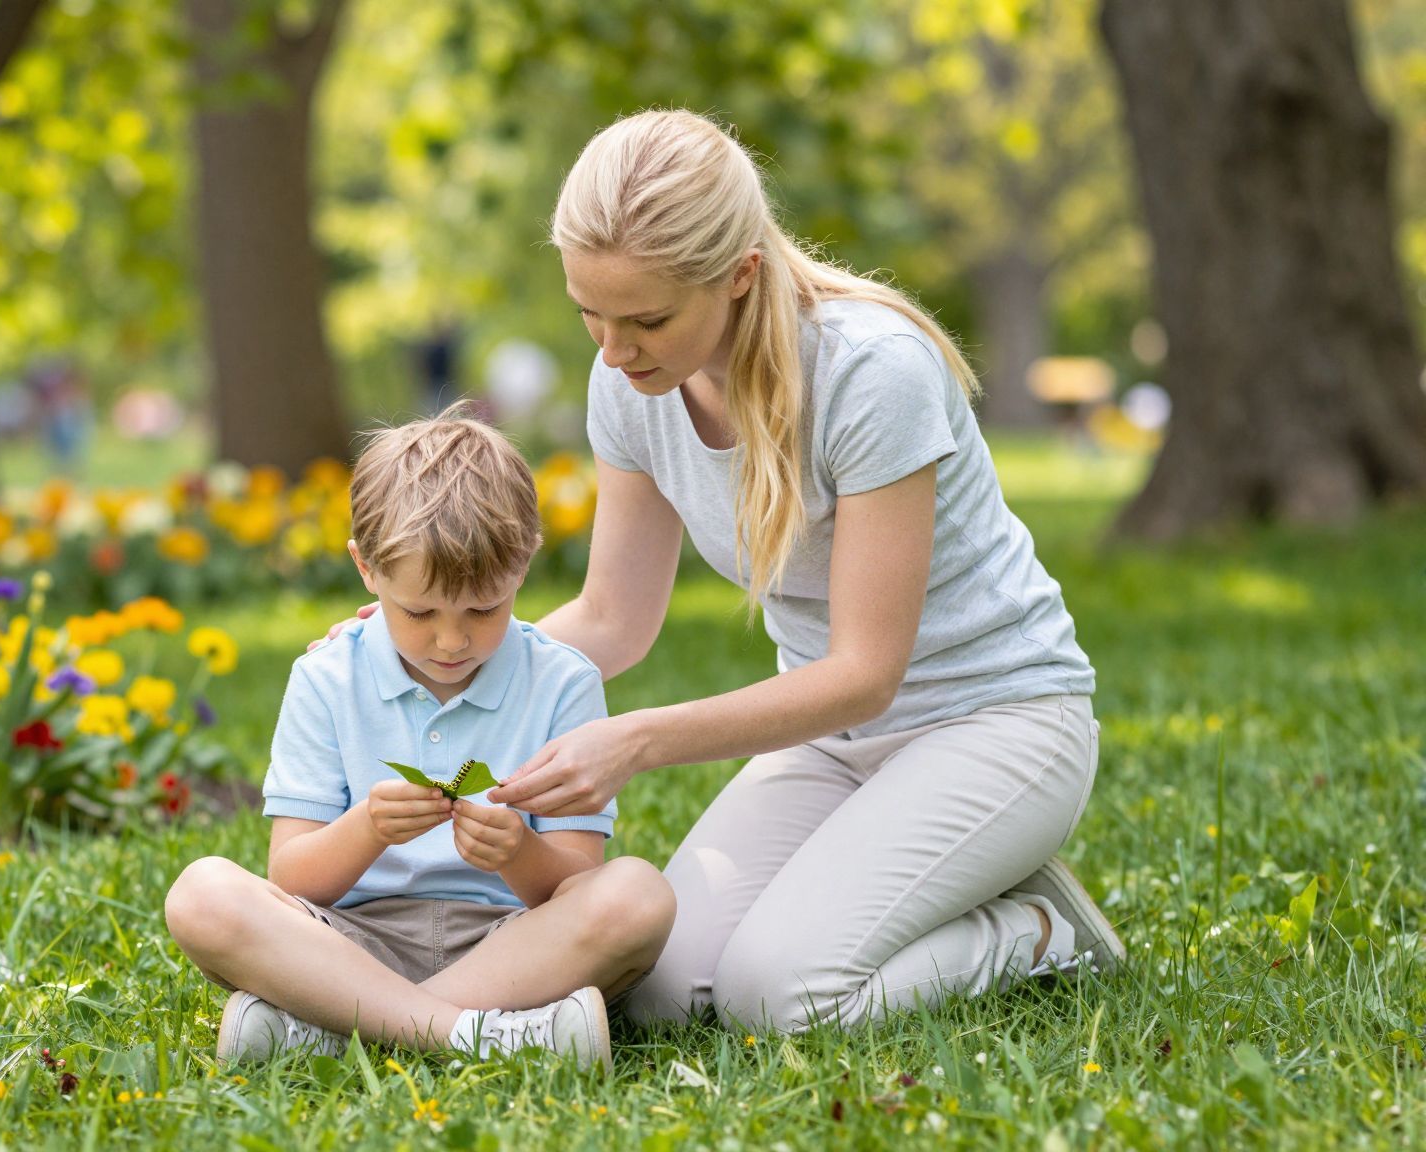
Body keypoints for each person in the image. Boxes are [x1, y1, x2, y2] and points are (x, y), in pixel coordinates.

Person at [320, 110, 1120, 1037]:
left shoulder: (873, 373)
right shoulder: (630, 384)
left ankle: (1035, 929)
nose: (613, 350)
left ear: (740, 273)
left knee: (781, 996)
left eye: (648, 319)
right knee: (659, 992)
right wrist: (420, 658)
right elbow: (613, 618)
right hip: (830, 743)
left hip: (997, 723)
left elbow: (867, 675)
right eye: (590, 313)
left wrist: (636, 740)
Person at [165, 407, 675, 1069]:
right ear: (366, 568)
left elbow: (577, 881)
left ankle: (334, 1027)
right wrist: (368, 828)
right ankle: (482, 1035)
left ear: (525, 561)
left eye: (483, 609)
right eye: (419, 612)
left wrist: (518, 851)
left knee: (638, 896)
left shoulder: (563, 682)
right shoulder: (326, 677)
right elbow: (293, 879)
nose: (452, 640)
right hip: (349, 940)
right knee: (201, 895)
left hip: (510, 946)